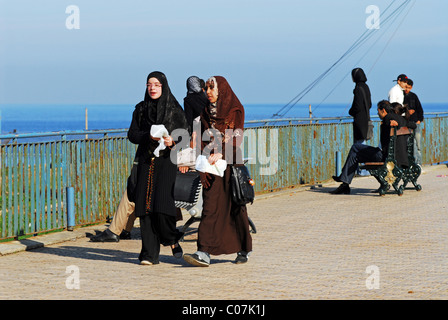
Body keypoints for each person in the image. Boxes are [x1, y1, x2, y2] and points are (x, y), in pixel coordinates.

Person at [183, 76, 253, 267]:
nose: (208, 92)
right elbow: (203, 140)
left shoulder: (235, 109)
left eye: (212, 89)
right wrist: (204, 154)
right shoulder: (205, 112)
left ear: (221, 90)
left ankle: (243, 249)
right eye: (206, 88)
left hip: (231, 164)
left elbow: (236, 136)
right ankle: (203, 252)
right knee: (210, 208)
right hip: (211, 167)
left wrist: (221, 153)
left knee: (235, 207)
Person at [128, 71, 189, 265]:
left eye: (156, 84)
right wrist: (149, 136)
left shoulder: (174, 108)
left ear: (163, 86)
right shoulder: (140, 109)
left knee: (162, 208)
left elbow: (184, 136)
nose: (152, 88)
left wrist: (173, 141)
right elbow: (133, 135)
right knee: (145, 208)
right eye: (149, 85)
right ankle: (149, 255)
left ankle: (172, 238)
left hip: (166, 162)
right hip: (146, 162)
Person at [331, 100, 415, 194]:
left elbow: (388, 121)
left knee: (355, 148)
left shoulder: (388, 118)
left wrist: (393, 123)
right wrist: (398, 123)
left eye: (378, 110)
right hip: (399, 158)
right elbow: (413, 125)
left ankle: (344, 182)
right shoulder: (402, 119)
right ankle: (344, 182)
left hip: (386, 157)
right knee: (356, 154)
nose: (377, 113)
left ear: (383, 110)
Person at [348, 68, 372, 144]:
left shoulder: (358, 88)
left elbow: (357, 106)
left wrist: (351, 111)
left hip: (359, 120)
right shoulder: (366, 87)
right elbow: (369, 104)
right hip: (366, 119)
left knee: (359, 144)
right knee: (363, 142)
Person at [404, 78, 424, 165]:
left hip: (416, 122)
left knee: (418, 144)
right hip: (407, 123)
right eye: (405, 87)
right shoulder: (401, 96)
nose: (406, 89)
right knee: (409, 144)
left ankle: (418, 163)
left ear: (411, 87)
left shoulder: (414, 96)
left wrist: (419, 120)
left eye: (408, 87)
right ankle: (411, 163)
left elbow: (420, 109)